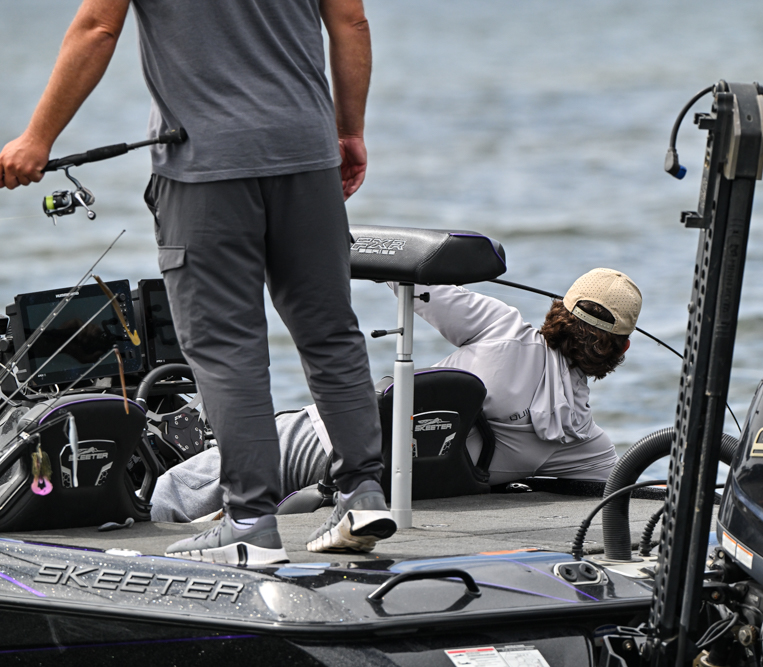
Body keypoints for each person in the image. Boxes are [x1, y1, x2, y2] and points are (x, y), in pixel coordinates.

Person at [0, 0, 395, 564]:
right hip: (308, 156)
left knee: (227, 345)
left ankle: (250, 522)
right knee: (330, 330)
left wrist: (37, 138)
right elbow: (351, 22)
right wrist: (349, 130)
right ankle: (362, 492)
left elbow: (97, 27)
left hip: (205, 167)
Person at [151, 268, 642, 522]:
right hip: (371, 485)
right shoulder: (580, 440)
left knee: (171, 490)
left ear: (557, 310)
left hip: (321, 443)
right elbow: (625, 487)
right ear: (621, 348)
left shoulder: (502, 329)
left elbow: (412, 279)